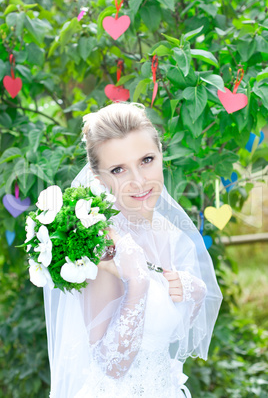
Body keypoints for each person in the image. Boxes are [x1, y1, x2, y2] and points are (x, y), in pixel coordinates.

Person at [43, 102, 223, 397]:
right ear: (99, 179)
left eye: (146, 160)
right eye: (118, 169)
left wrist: (195, 292)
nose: (139, 181)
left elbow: (168, 335)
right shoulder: (102, 246)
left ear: (161, 155)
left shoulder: (167, 232)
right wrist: (137, 284)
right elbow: (111, 365)